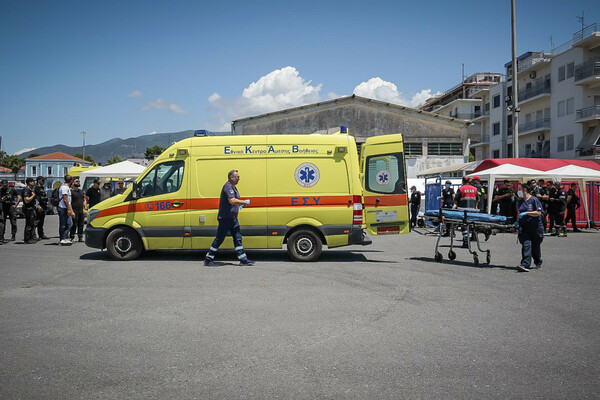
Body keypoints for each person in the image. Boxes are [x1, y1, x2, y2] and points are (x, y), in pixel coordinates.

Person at [204, 170, 254, 267]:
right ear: (231, 178)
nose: (239, 179)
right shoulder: (228, 186)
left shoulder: (233, 187)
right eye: (237, 177)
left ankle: (243, 259)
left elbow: (234, 201)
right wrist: (244, 202)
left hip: (232, 218)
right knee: (219, 239)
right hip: (225, 218)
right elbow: (231, 200)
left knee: (237, 237)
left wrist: (239, 205)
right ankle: (208, 259)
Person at [516, 184, 544, 272]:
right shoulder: (520, 202)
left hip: (536, 227)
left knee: (535, 247)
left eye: (520, 189)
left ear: (525, 190)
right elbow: (519, 213)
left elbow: (539, 213)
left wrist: (527, 213)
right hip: (524, 227)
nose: (519, 191)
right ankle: (525, 264)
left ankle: (538, 261)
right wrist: (516, 222)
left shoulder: (534, 200)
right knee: (526, 245)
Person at [454, 176, 479, 247]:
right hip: (473, 210)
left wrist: (457, 205)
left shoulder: (461, 189)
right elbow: (478, 199)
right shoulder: (475, 189)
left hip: (463, 210)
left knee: (464, 225)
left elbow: (455, 200)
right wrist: (475, 206)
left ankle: (466, 240)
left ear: (463, 181)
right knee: (470, 224)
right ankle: (469, 238)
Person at [58, 175, 75, 245]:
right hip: (63, 208)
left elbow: (68, 200)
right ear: (71, 181)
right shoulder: (64, 188)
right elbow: (65, 200)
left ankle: (64, 237)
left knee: (70, 223)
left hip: (66, 207)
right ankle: (62, 238)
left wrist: (71, 209)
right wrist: (68, 209)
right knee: (63, 224)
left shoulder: (67, 187)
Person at [70, 178, 86, 242]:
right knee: (74, 224)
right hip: (74, 210)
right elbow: (69, 202)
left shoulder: (81, 191)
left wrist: (86, 209)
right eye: (76, 181)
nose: (78, 182)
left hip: (80, 210)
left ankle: (80, 237)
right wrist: (71, 211)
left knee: (81, 224)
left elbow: (84, 200)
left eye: (78, 181)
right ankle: (72, 237)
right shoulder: (71, 192)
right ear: (73, 183)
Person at [22, 177, 38, 244]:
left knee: (32, 223)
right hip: (28, 208)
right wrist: (33, 196)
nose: (34, 183)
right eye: (32, 181)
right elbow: (26, 200)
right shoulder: (26, 190)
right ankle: (27, 238)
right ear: (29, 182)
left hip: (31, 208)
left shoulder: (30, 189)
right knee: (29, 224)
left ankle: (31, 237)